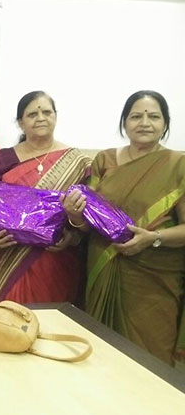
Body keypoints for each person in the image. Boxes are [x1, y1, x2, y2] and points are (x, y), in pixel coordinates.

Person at [64, 90, 185, 366]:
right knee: (100, 358)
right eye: (136, 116)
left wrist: (153, 238)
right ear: (124, 122)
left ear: (165, 123)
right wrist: (74, 215)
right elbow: (86, 224)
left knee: (150, 362)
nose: (145, 123)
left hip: (153, 282)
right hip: (102, 268)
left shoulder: (178, 165)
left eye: (154, 116)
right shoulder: (104, 160)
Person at [0, 91, 91, 304]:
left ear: (56, 116)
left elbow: (86, 219)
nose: (41, 118)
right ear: (21, 123)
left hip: (56, 263)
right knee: (9, 319)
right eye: (32, 114)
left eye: (47, 112)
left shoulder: (77, 162)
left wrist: (72, 238)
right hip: (8, 259)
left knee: (52, 321)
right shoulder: (4, 159)